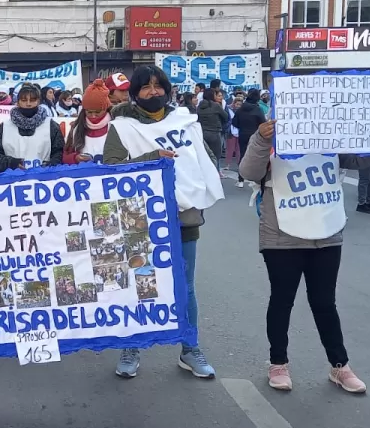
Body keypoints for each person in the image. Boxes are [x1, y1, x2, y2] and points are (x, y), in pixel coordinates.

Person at [238, 108, 370, 394]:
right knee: (282, 299)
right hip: (281, 233)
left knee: (325, 302)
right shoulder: (271, 135)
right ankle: (278, 363)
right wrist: (261, 139)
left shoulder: (329, 136)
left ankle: (340, 365)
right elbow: (248, 172)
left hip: (325, 230)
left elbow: (361, 159)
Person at [104, 65, 223, 379]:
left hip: (184, 217)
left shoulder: (185, 121)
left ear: (168, 90)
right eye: (146, 87)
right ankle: (132, 347)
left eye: (158, 86)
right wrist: (150, 159)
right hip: (139, 219)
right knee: (139, 285)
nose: (153, 92)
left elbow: (206, 159)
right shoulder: (122, 127)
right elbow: (110, 170)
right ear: (135, 94)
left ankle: (190, 348)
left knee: (185, 287)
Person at [0, 82, 64, 172]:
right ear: (18, 102)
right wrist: (11, 163)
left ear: (38, 101)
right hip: (12, 180)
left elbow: (59, 153)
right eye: (24, 100)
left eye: (32, 100)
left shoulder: (51, 125)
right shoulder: (4, 127)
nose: (28, 104)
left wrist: (49, 167)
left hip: (43, 180)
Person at [61, 80, 111, 164]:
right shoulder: (76, 128)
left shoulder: (115, 126)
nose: (93, 116)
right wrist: (75, 158)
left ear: (105, 109)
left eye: (97, 112)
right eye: (89, 112)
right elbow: (65, 156)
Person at [232, 88, 266, 187]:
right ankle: (254, 179)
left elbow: (234, 122)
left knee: (242, 155)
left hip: (243, 134)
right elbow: (263, 123)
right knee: (255, 157)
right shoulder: (258, 109)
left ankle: (240, 180)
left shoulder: (241, 108)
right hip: (255, 135)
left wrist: (242, 127)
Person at [195, 87, 228, 164]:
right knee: (215, 157)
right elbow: (226, 116)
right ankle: (214, 174)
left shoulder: (200, 106)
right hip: (214, 133)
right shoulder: (215, 105)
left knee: (204, 155)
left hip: (202, 132)